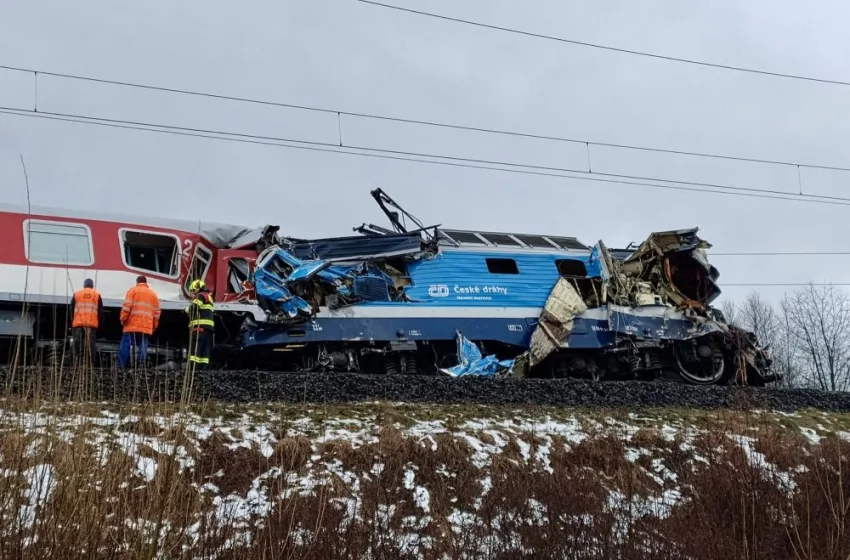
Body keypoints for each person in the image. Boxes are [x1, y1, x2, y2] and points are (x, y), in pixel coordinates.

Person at [117, 275, 161, 369]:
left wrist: (123, 319)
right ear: (146, 283)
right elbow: (157, 312)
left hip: (131, 325)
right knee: (143, 346)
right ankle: (140, 366)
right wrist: (154, 325)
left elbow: (126, 307)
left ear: (137, 282)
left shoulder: (132, 291)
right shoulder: (153, 294)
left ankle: (121, 366)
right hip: (146, 326)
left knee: (126, 345)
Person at [69, 278, 103, 368]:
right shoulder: (97, 294)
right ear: (92, 286)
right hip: (91, 324)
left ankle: (74, 362)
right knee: (91, 344)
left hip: (78, 323)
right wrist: (98, 321)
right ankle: (91, 363)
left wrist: (73, 319)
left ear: (84, 285)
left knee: (76, 342)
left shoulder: (77, 294)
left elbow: (71, 307)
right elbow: (100, 311)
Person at [184, 279, 214, 370]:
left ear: (197, 289)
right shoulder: (209, 297)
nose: (192, 294)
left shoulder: (200, 296)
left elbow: (195, 307)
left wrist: (186, 310)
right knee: (205, 351)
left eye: (193, 291)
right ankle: (204, 370)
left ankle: (194, 369)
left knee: (195, 350)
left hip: (199, 327)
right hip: (208, 329)